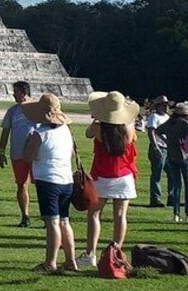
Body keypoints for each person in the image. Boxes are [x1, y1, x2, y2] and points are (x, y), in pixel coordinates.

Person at [76, 91, 139, 268]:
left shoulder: (98, 128)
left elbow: (88, 133)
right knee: (120, 215)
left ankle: (90, 253)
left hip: (103, 174)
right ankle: (116, 250)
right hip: (124, 174)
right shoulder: (129, 127)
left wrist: (97, 117)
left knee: (94, 214)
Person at [22, 94, 77, 273]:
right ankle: (70, 260)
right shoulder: (66, 130)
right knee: (64, 221)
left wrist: (28, 142)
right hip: (66, 178)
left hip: (48, 179)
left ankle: (50, 262)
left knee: (52, 222)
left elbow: (27, 157)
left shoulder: (40, 134)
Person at [0, 81, 35, 227]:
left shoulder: (36, 108)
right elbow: (5, 131)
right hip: (18, 153)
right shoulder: (13, 111)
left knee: (40, 185)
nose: (13, 94)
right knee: (21, 185)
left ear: (23, 92)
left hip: (36, 153)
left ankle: (48, 215)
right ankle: (25, 215)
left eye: (16, 92)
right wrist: (2, 151)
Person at [156, 103, 188, 222]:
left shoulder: (169, 123)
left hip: (172, 156)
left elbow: (156, 131)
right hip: (184, 156)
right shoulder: (185, 124)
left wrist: (166, 141)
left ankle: (176, 214)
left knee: (177, 186)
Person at [146, 96, 170, 207]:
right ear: (158, 106)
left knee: (172, 174)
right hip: (159, 147)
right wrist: (155, 147)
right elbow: (151, 132)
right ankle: (155, 199)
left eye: (167, 105)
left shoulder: (167, 117)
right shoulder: (154, 117)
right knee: (157, 174)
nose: (166, 107)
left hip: (167, 147)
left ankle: (172, 197)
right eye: (164, 105)